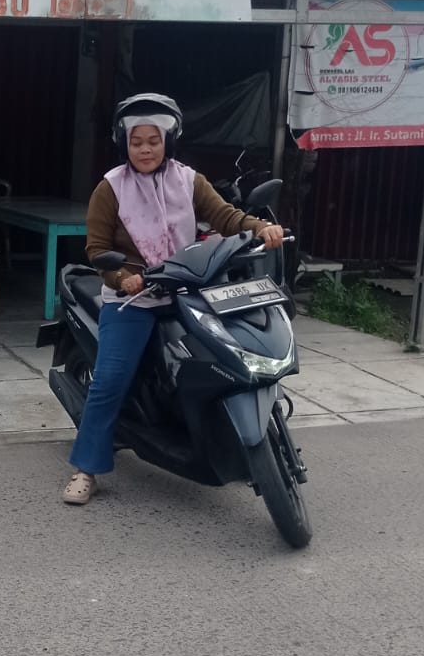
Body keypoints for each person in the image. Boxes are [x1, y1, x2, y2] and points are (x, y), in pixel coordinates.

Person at [63, 93, 285, 507]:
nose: (145, 149)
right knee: (110, 379)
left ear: (168, 141)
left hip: (188, 290)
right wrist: (123, 277)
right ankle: (86, 468)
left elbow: (226, 217)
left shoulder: (188, 180)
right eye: (136, 142)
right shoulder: (110, 188)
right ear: (124, 144)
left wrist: (258, 228)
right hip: (133, 299)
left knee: (227, 356)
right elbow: (96, 249)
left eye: (153, 141)